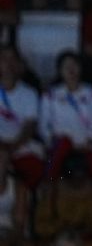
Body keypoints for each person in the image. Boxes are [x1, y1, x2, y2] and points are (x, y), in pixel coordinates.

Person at [40, 52, 92, 181]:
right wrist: (51, 140)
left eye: (74, 65)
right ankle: (49, 183)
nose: (71, 70)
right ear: (60, 71)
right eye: (66, 67)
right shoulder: (50, 95)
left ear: (80, 68)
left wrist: (88, 142)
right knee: (61, 146)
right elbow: (44, 125)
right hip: (59, 145)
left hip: (88, 145)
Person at [34, 151, 92, 245]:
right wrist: (60, 227)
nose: (78, 181)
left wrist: (85, 230)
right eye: (75, 177)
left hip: (83, 241)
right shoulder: (53, 192)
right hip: (56, 239)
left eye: (81, 177)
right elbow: (40, 227)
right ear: (66, 176)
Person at [0, 45, 43, 189]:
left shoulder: (29, 93)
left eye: (13, 58)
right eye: (4, 59)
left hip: (20, 147)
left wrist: (11, 148)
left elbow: (30, 126)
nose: (9, 63)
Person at [0, 148, 28, 244]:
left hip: (8, 234)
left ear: (8, 165)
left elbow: (19, 225)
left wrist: (7, 241)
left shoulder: (18, 188)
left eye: (1, 160)